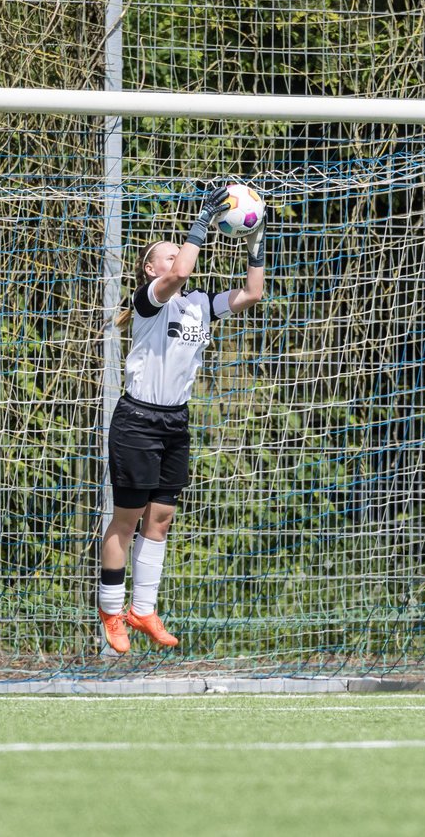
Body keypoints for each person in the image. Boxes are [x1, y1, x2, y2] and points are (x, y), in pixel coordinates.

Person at [97, 186, 265, 653]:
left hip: (175, 422)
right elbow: (184, 269)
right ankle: (111, 611)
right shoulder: (151, 299)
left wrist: (254, 244)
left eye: (177, 254)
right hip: (137, 419)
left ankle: (143, 609)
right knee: (126, 521)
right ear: (152, 269)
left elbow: (254, 292)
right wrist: (204, 219)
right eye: (166, 256)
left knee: (162, 519)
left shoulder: (199, 304)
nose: (175, 261)